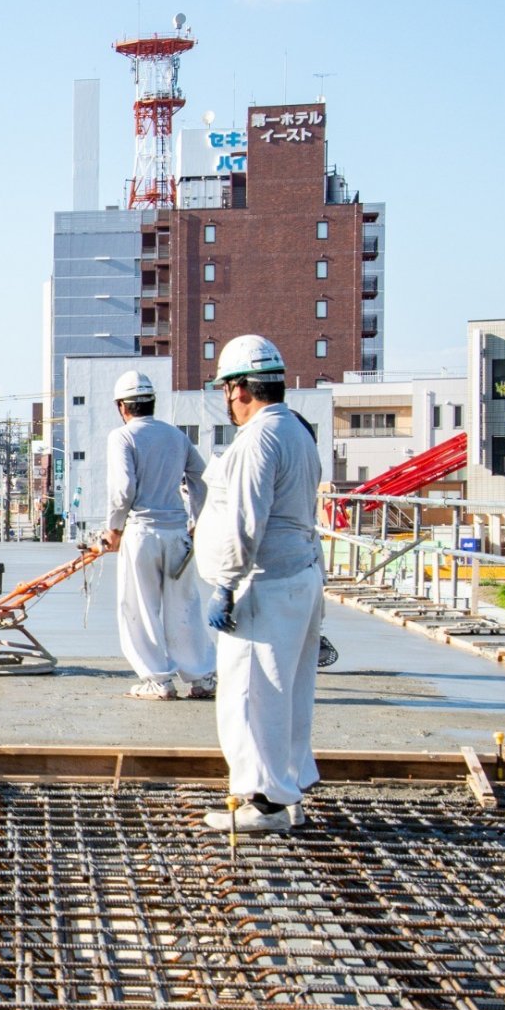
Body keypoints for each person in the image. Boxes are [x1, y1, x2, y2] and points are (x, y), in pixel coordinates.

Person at [194, 335, 325, 833]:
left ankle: (264, 802)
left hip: (263, 585)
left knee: (252, 695)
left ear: (240, 389)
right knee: (287, 693)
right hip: (296, 578)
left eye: (227, 389)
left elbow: (246, 521)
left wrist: (225, 583)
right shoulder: (296, 430)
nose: (226, 399)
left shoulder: (259, 438)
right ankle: (285, 789)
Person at [97, 371, 215, 701]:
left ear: (122, 406)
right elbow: (202, 481)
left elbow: (123, 491)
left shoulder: (122, 437)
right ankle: (202, 677)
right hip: (177, 533)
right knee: (185, 606)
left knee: (140, 608)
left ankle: (157, 680)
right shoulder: (177, 437)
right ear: (152, 403)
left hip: (141, 533)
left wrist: (114, 529)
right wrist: (195, 521)